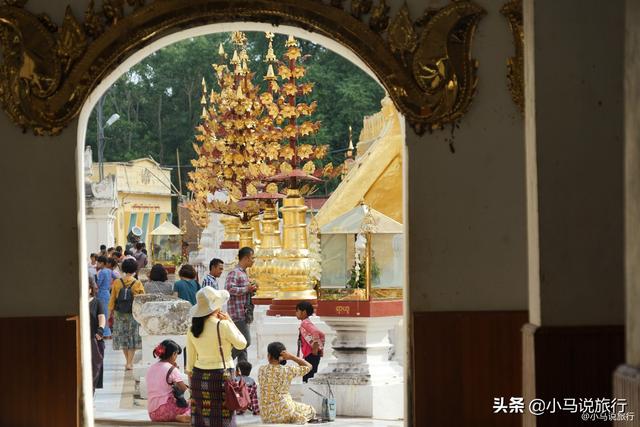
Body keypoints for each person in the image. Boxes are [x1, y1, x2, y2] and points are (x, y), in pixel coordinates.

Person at [187, 287, 247, 427]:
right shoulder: (223, 324)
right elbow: (242, 344)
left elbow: (190, 361)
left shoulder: (192, 329)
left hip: (198, 376)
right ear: (216, 307)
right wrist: (230, 322)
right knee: (224, 416)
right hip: (222, 375)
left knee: (202, 418)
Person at [258, 342, 316, 424]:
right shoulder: (287, 370)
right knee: (311, 410)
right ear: (282, 357)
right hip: (285, 411)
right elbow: (309, 366)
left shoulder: (261, 370)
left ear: (269, 355)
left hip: (266, 415)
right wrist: (292, 357)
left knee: (293, 405)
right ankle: (294, 417)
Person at [109, 258, 145, 370]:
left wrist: (110, 313)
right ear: (135, 269)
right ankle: (130, 362)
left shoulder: (117, 282)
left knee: (123, 338)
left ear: (123, 269)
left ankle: (127, 361)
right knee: (132, 338)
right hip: (133, 314)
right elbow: (142, 299)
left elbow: (112, 299)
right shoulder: (137, 283)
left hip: (119, 314)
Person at [145, 339, 190, 423]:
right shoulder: (171, 369)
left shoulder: (151, 368)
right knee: (196, 405)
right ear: (173, 354)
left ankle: (181, 416)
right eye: (176, 355)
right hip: (166, 411)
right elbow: (186, 391)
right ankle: (185, 416)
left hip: (152, 413)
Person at [225, 247, 257, 362]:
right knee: (246, 342)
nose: (253, 260)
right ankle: (225, 360)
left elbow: (243, 290)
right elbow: (229, 289)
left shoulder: (243, 273)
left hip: (245, 313)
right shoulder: (235, 272)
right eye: (252, 258)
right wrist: (246, 288)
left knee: (242, 347)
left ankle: (243, 373)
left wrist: (251, 290)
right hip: (237, 314)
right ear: (246, 258)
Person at [295, 301, 325, 382]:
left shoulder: (305, 323)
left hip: (311, 355)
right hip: (309, 355)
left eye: (297, 311)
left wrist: (315, 350)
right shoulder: (305, 322)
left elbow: (315, 332)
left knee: (308, 379)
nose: (296, 313)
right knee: (308, 378)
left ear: (304, 312)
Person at [89, 277, 106, 393]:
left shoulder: (96, 302)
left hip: (94, 339)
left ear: (91, 288)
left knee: (95, 367)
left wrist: (100, 329)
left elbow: (101, 317)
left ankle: (91, 392)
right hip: (81, 340)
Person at [95, 255, 113, 338]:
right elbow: (116, 278)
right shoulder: (109, 271)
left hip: (101, 293)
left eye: (98, 262)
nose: (97, 264)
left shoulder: (102, 272)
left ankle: (105, 333)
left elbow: (98, 284)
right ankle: (107, 332)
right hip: (107, 293)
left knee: (102, 314)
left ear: (102, 263)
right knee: (106, 313)